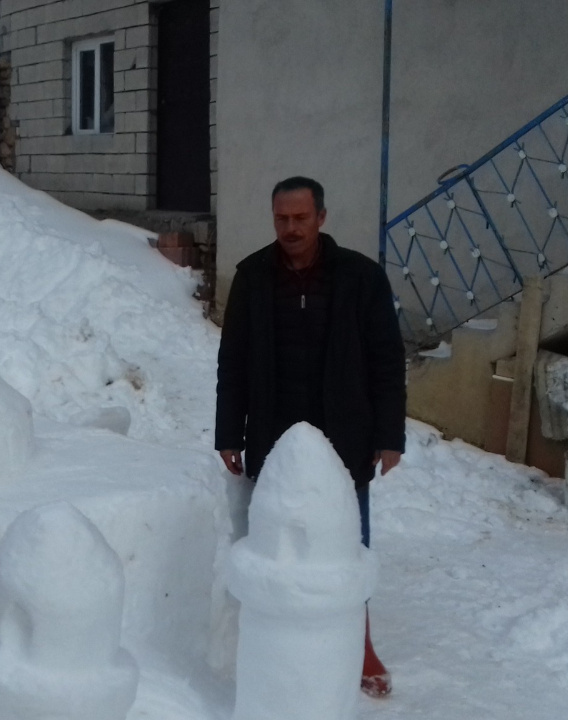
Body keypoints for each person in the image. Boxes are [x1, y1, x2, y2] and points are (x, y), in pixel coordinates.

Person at [214, 176, 406, 698]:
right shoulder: (253, 277)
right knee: (279, 541)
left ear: (321, 217)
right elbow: (232, 362)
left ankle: (359, 643)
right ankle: (270, 641)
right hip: (274, 435)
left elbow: (388, 360)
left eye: (300, 218)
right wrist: (229, 432)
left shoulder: (361, 278)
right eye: (282, 219)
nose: (291, 228)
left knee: (349, 541)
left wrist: (389, 435)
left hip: (345, 435)